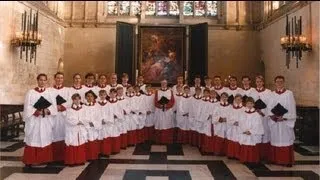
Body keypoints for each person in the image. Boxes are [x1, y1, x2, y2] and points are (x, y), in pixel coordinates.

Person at [22, 74, 57, 166]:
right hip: (34, 120)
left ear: (46, 81)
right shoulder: (31, 93)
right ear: (37, 81)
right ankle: (31, 160)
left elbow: (54, 106)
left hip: (45, 120)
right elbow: (27, 107)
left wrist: (47, 110)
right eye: (40, 80)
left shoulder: (50, 93)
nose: (42, 82)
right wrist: (36, 111)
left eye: (44, 80)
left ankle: (45, 159)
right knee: (34, 137)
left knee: (45, 137)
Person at [268, 76, 296, 167]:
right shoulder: (272, 94)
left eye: (281, 81)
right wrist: (274, 117)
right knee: (276, 138)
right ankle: (275, 159)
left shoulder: (289, 93)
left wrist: (284, 117)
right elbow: (269, 108)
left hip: (285, 122)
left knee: (286, 139)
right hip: (275, 122)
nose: (279, 83)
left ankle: (287, 161)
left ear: (284, 82)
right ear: (275, 83)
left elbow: (292, 108)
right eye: (277, 81)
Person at [50, 72, 69, 162]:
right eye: (57, 78)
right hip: (53, 116)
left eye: (61, 78)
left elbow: (70, 101)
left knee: (63, 133)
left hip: (63, 115)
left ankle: (62, 156)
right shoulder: (49, 90)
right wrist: (54, 107)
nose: (59, 79)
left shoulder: (67, 90)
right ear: (55, 78)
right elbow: (47, 101)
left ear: (63, 79)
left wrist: (62, 107)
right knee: (53, 133)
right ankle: (53, 156)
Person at [239, 97, 264, 163]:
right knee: (245, 145)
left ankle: (253, 159)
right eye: (248, 103)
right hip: (245, 132)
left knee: (252, 146)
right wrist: (245, 130)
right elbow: (241, 122)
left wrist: (251, 131)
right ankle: (244, 159)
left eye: (251, 103)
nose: (249, 105)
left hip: (253, 134)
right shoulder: (242, 113)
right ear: (245, 104)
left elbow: (257, 124)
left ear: (253, 104)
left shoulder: (256, 115)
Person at [64, 93, 87, 166]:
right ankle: (71, 161)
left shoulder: (83, 109)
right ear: (72, 100)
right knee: (72, 144)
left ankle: (80, 160)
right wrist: (77, 122)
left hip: (81, 129)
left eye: (78, 99)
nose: (77, 101)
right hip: (72, 129)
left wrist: (82, 121)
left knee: (80, 143)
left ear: (80, 100)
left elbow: (86, 118)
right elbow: (68, 119)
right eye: (75, 99)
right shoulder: (69, 110)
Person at [255, 75, 273, 162]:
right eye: (257, 82)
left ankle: (264, 155)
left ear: (263, 82)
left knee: (265, 133)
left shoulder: (268, 92)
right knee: (256, 133)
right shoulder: (252, 91)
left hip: (264, 117)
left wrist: (263, 112)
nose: (258, 83)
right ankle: (256, 154)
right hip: (254, 117)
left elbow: (270, 105)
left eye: (260, 81)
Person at [154, 79, 175, 144]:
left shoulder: (170, 91)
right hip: (159, 111)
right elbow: (155, 101)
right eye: (162, 83)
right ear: (160, 84)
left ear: (166, 84)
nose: (163, 84)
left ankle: (167, 140)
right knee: (160, 124)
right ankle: (159, 140)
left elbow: (172, 101)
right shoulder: (157, 91)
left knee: (167, 124)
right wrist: (160, 106)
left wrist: (166, 106)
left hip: (167, 111)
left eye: (165, 83)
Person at [83, 90, 101, 161]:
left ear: (94, 98)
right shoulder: (83, 107)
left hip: (94, 127)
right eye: (88, 96)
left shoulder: (97, 107)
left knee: (93, 141)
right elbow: (81, 117)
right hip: (86, 127)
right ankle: (87, 156)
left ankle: (93, 156)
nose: (90, 98)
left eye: (91, 96)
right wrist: (87, 123)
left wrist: (94, 123)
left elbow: (99, 117)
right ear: (85, 98)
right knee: (87, 141)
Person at [226, 94, 244, 159]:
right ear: (234, 100)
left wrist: (239, 122)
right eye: (236, 99)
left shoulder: (244, 109)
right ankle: (231, 154)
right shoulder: (231, 108)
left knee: (239, 139)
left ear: (242, 100)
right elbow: (228, 117)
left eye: (239, 99)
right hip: (232, 127)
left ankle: (238, 155)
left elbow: (245, 118)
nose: (238, 101)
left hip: (240, 127)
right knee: (232, 139)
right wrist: (233, 122)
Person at [107, 89, 123, 154]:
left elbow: (121, 112)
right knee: (109, 135)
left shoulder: (118, 102)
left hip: (116, 121)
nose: (113, 95)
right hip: (109, 122)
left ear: (116, 94)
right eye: (111, 93)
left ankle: (115, 149)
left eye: (114, 93)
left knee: (115, 135)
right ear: (109, 94)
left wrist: (117, 116)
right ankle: (109, 149)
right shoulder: (107, 103)